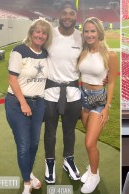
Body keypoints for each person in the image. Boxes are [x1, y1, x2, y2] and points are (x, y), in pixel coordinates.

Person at [5, 18, 53, 194]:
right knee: (24, 145)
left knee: (33, 144)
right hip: (17, 104)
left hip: (39, 104)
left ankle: (29, 173)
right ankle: (27, 184)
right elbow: (12, 79)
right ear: (32, 32)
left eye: (44, 33)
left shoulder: (46, 53)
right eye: (38, 32)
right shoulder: (20, 51)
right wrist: (23, 103)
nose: (40, 35)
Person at [77, 17, 118, 194]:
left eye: (92, 31)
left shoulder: (110, 55)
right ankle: (94, 169)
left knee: (89, 142)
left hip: (99, 99)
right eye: (86, 31)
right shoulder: (82, 51)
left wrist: (107, 106)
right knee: (91, 142)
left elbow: (111, 83)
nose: (89, 34)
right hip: (83, 97)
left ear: (99, 32)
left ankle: (94, 175)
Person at [44, 0, 82, 183]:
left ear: (76, 16)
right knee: (50, 131)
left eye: (71, 13)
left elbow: (92, 59)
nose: (67, 16)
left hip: (73, 91)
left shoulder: (81, 37)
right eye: (64, 13)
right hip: (50, 90)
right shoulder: (49, 34)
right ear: (59, 14)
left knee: (70, 131)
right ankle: (49, 162)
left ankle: (69, 160)